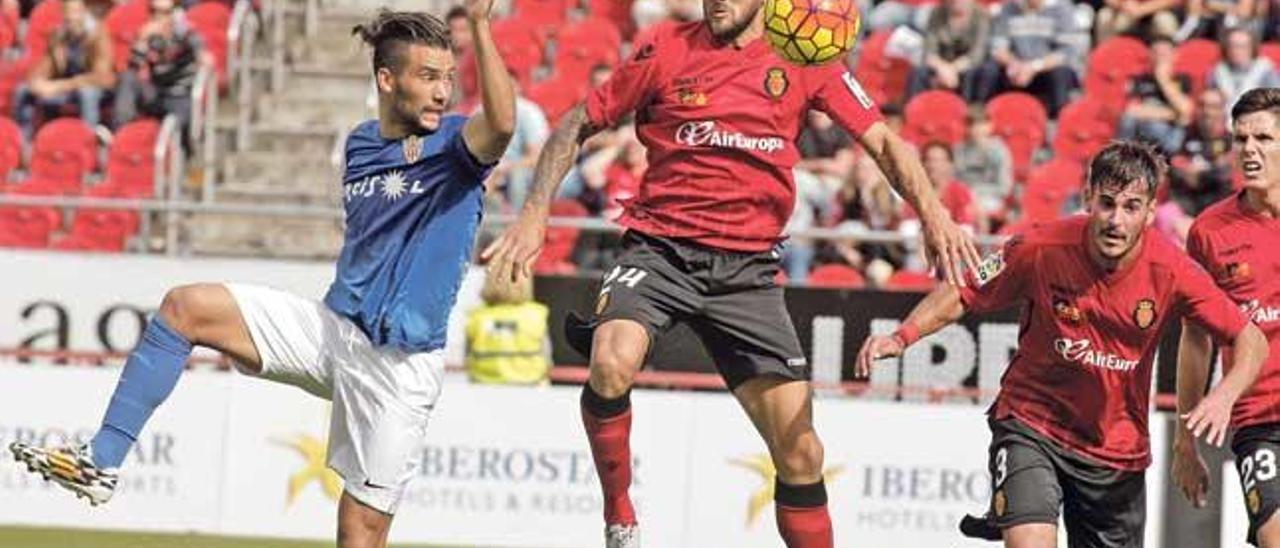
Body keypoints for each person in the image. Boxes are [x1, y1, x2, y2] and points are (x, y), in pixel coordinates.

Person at [9, 6, 514, 548]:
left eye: (447, 78)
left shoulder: (458, 146)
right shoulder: (362, 145)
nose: (443, 92)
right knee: (185, 308)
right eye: (428, 76)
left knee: (359, 533)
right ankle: (100, 462)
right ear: (387, 80)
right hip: (332, 332)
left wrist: (482, 29)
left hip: (400, 364)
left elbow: (502, 125)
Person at [482, 0, 981, 545]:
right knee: (610, 361)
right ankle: (620, 516)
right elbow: (578, 121)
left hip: (748, 270)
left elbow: (883, 140)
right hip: (661, 250)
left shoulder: (805, 55)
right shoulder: (666, 47)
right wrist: (534, 215)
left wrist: (935, 214)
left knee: (801, 452)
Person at [857, 141, 1270, 547]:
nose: (1115, 220)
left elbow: (1250, 339)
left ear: (1149, 213)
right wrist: (902, 336)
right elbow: (965, 290)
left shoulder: (1174, 270)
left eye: (1130, 207)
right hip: (1033, 425)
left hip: (1115, 452)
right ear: (1088, 198)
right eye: (1107, 203)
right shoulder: (1042, 247)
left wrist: (1224, 395)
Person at [1173, 87, 1280, 548]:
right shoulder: (1209, 233)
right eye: (1241, 140)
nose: (1249, 150)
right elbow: (1195, 340)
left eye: (1263, 138)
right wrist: (1184, 439)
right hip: (1258, 421)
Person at [112, 0, 211, 149]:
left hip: (180, 94)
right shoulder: (149, 35)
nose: (159, 17)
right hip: (157, 92)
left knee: (178, 123)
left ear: (174, 13)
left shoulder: (184, 32)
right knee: (127, 78)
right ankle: (120, 139)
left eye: (165, 12)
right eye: (155, 11)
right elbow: (134, 65)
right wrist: (141, 40)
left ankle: (184, 155)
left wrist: (200, 54)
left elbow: (202, 52)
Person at [13, 0, 114, 135]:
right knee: (24, 90)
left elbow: (100, 76)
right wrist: (38, 81)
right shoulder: (59, 35)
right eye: (67, 13)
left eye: (75, 12)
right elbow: (47, 64)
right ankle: (23, 138)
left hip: (94, 86)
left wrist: (60, 85)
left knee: (87, 93)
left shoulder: (98, 33)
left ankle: (87, 138)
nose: (71, 17)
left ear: (84, 12)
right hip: (67, 86)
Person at [465, 271, 551, 385]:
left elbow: (467, 355)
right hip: (531, 383)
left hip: (483, 382)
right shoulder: (536, 314)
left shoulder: (477, 316)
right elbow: (547, 357)